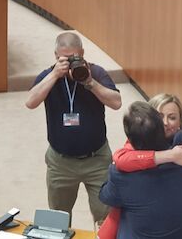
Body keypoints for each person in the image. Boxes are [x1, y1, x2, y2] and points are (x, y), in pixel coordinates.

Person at [26, 32, 122, 226]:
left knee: (105, 219)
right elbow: (30, 102)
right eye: (64, 59)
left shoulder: (96, 73)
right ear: (56, 56)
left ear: (82, 53)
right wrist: (55, 75)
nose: (70, 64)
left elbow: (116, 102)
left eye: (74, 58)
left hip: (97, 160)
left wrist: (90, 83)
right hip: (60, 162)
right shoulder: (49, 75)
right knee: (58, 220)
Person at [98, 94, 182, 238]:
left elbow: (106, 196)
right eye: (160, 117)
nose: (166, 123)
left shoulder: (121, 173)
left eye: (172, 117)